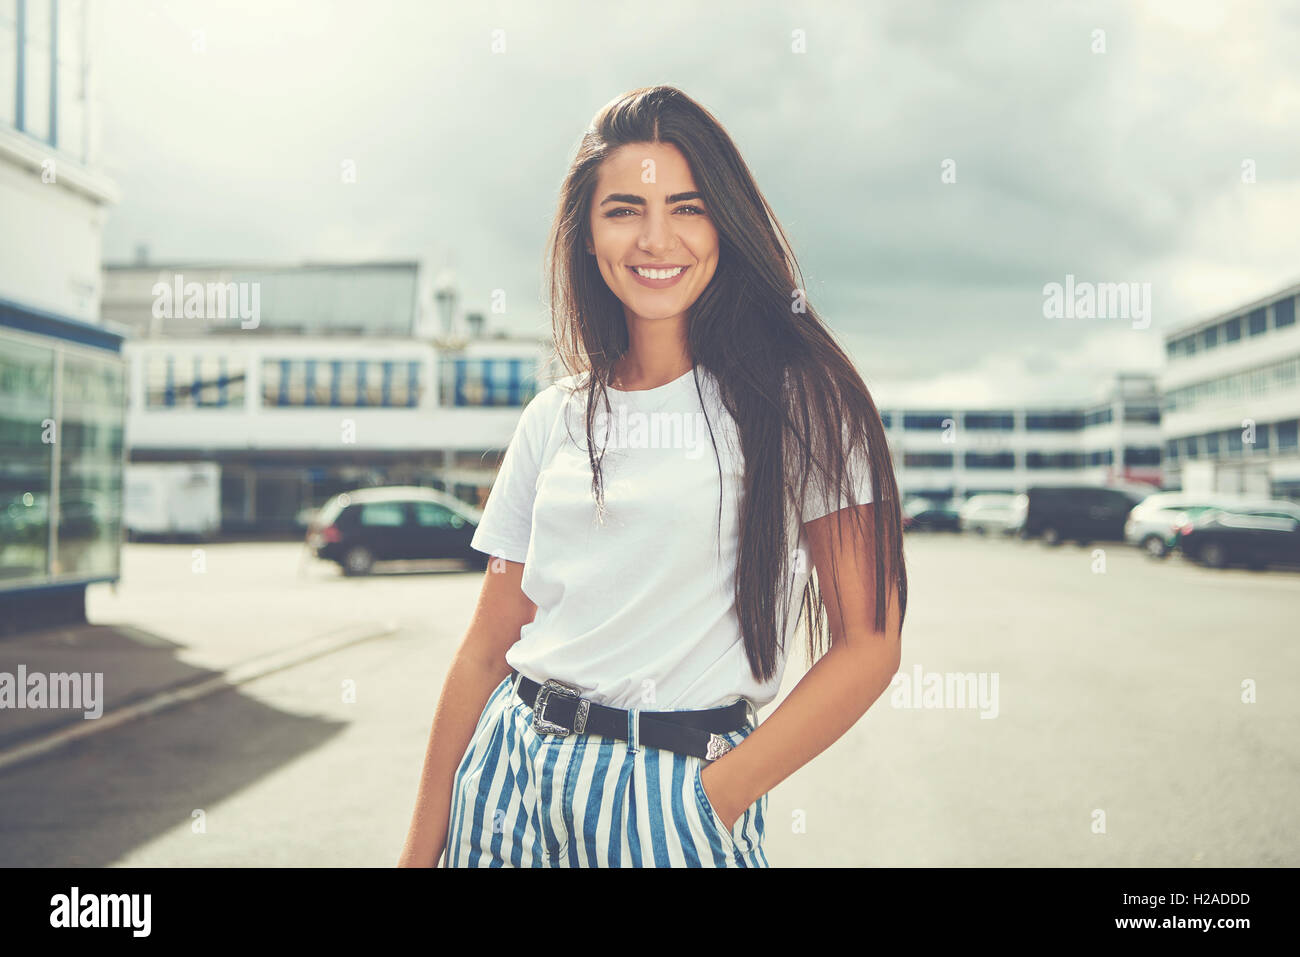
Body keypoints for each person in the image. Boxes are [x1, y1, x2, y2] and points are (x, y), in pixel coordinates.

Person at [398, 85, 907, 868]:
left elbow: (870, 642)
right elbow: (485, 648)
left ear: (726, 224)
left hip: (666, 797)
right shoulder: (555, 416)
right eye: (625, 210)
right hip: (507, 773)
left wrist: (716, 795)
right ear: (588, 235)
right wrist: (414, 858)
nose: (656, 239)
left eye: (688, 207)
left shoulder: (802, 402)